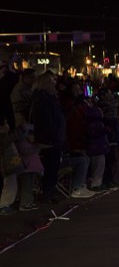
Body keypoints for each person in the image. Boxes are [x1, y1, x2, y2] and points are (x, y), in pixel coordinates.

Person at [29, 72, 67, 203]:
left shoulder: (47, 97)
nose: (54, 85)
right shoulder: (43, 99)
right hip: (49, 140)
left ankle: (49, 192)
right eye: (52, 82)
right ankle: (47, 193)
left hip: (52, 138)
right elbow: (45, 121)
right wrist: (55, 134)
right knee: (51, 167)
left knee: (53, 167)